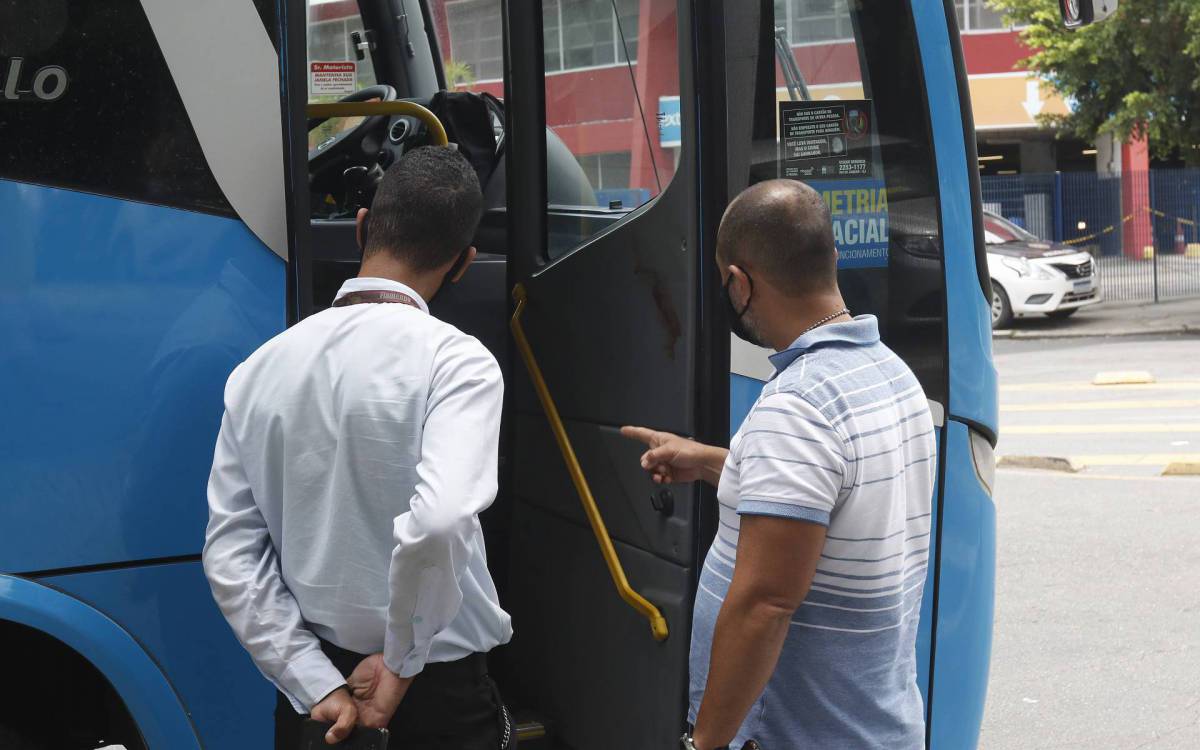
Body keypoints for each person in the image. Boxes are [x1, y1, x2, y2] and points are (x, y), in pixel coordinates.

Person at [203, 146, 513, 748]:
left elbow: (231, 553)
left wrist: (315, 681)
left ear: (363, 224)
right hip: (438, 695)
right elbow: (442, 520)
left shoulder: (258, 369)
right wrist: (400, 663)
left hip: (318, 704)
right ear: (464, 263)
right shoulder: (458, 363)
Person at [623, 180, 936, 749]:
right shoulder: (891, 375)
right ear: (830, 259)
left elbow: (765, 604)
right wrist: (718, 463)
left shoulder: (801, 406)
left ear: (739, 284)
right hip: (875, 726)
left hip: (798, 734)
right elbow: (834, 496)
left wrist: (707, 743)